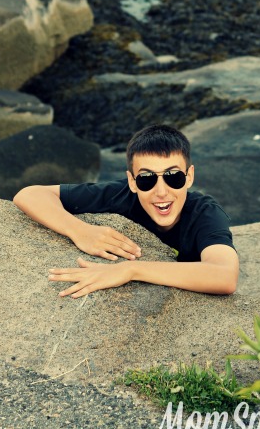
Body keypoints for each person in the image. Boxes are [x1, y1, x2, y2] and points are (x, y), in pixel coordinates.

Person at [13, 124, 239, 298]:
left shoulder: (205, 212)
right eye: (146, 179)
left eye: (173, 177)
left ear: (189, 177)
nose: (161, 191)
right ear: (132, 181)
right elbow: (30, 195)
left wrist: (130, 270)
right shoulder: (120, 194)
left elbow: (225, 275)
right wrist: (80, 231)